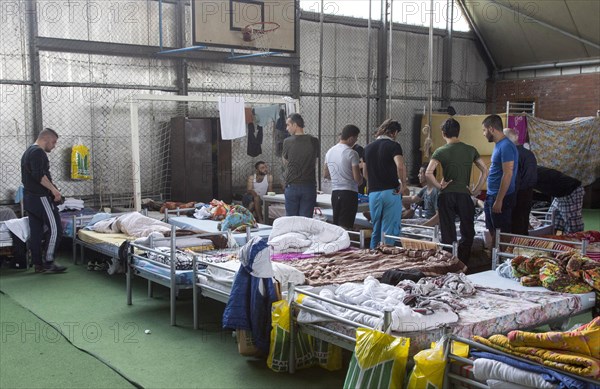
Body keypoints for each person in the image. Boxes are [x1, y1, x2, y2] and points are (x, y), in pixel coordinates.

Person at [426, 118, 487, 263]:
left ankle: (450, 261)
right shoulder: (471, 150)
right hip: (464, 195)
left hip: (446, 196)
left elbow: (428, 173)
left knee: (448, 231)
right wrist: (475, 190)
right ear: (458, 132)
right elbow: (485, 170)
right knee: (468, 230)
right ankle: (463, 261)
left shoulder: (440, 151)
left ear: (443, 133)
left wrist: (440, 186)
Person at [20, 128, 67, 273]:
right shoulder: (38, 152)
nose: (54, 146)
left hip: (29, 198)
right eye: (53, 142)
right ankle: (48, 262)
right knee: (56, 229)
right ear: (45, 139)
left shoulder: (28, 152)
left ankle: (38, 264)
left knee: (36, 232)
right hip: (40, 197)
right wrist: (54, 190)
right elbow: (39, 176)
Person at [364, 119, 407, 249]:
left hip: (373, 194)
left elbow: (365, 173)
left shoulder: (367, 148)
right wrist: (403, 184)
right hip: (390, 192)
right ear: (393, 133)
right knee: (389, 229)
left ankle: (373, 256)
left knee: (376, 227)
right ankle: (386, 258)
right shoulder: (394, 146)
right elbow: (400, 166)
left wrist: (373, 182)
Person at [482, 114, 518, 246]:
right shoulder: (498, 145)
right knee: (492, 231)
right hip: (492, 195)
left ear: (491, 129)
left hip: (501, 197)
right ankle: (494, 259)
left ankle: (503, 261)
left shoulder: (506, 146)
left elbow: (508, 173)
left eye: (484, 130)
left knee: (502, 234)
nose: (483, 134)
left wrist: (499, 200)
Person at [324, 125, 364, 229]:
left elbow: (326, 174)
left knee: (337, 226)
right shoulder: (352, 153)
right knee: (346, 226)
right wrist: (361, 179)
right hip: (349, 193)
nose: (355, 141)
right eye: (356, 138)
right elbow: (357, 178)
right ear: (351, 138)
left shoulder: (329, 152)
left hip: (335, 192)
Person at [282, 113, 320, 218]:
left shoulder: (287, 142)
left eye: (288, 125)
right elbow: (315, 161)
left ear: (295, 125)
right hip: (309, 185)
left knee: (291, 220)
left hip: (292, 184)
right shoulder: (314, 141)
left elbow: (285, 162)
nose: (287, 128)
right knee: (305, 220)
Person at [503, 127, 537, 235]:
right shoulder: (525, 154)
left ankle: (517, 250)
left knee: (518, 227)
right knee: (514, 227)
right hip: (516, 195)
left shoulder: (524, 155)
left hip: (520, 196)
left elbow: (529, 179)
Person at [534, 166, 584, 233]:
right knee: (551, 218)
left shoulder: (528, 173)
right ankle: (552, 239)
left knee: (572, 225)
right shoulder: (528, 170)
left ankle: (576, 242)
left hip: (571, 191)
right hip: (559, 194)